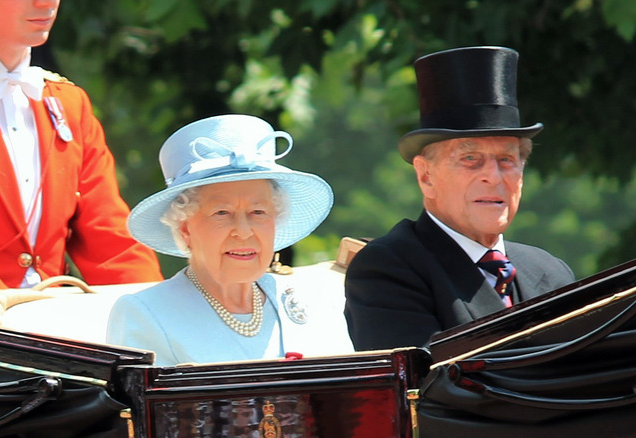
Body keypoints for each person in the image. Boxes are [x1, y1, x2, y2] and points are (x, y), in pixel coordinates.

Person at [344, 46, 576, 351]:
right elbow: (430, 390)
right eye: (470, 158)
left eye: (507, 159)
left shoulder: (550, 271)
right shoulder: (388, 269)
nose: (493, 176)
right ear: (426, 176)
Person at [106, 114, 354, 366]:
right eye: (221, 213)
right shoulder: (145, 313)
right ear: (185, 229)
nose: (243, 231)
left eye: (258, 212)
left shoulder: (316, 304)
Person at [0, 0, 163, 289]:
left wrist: (154, 312)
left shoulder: (69, 104)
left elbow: (111, 240)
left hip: (49, 322)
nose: (45, 3)